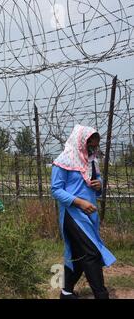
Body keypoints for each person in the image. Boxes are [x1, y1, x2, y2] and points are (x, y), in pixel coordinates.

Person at [51, 125, 116, 299]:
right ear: (80, 141)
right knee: (92, 253)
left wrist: (99, 185)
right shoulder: (63, 161)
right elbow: (56, 190)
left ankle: (66, 292)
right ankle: (101, 295)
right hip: (73, 214)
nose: (92, 149)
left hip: (89, 214)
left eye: (94, 146)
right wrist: (79, 202)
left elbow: (97, 184)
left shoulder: (91, 161)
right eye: (89, 145)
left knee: (78, 254)